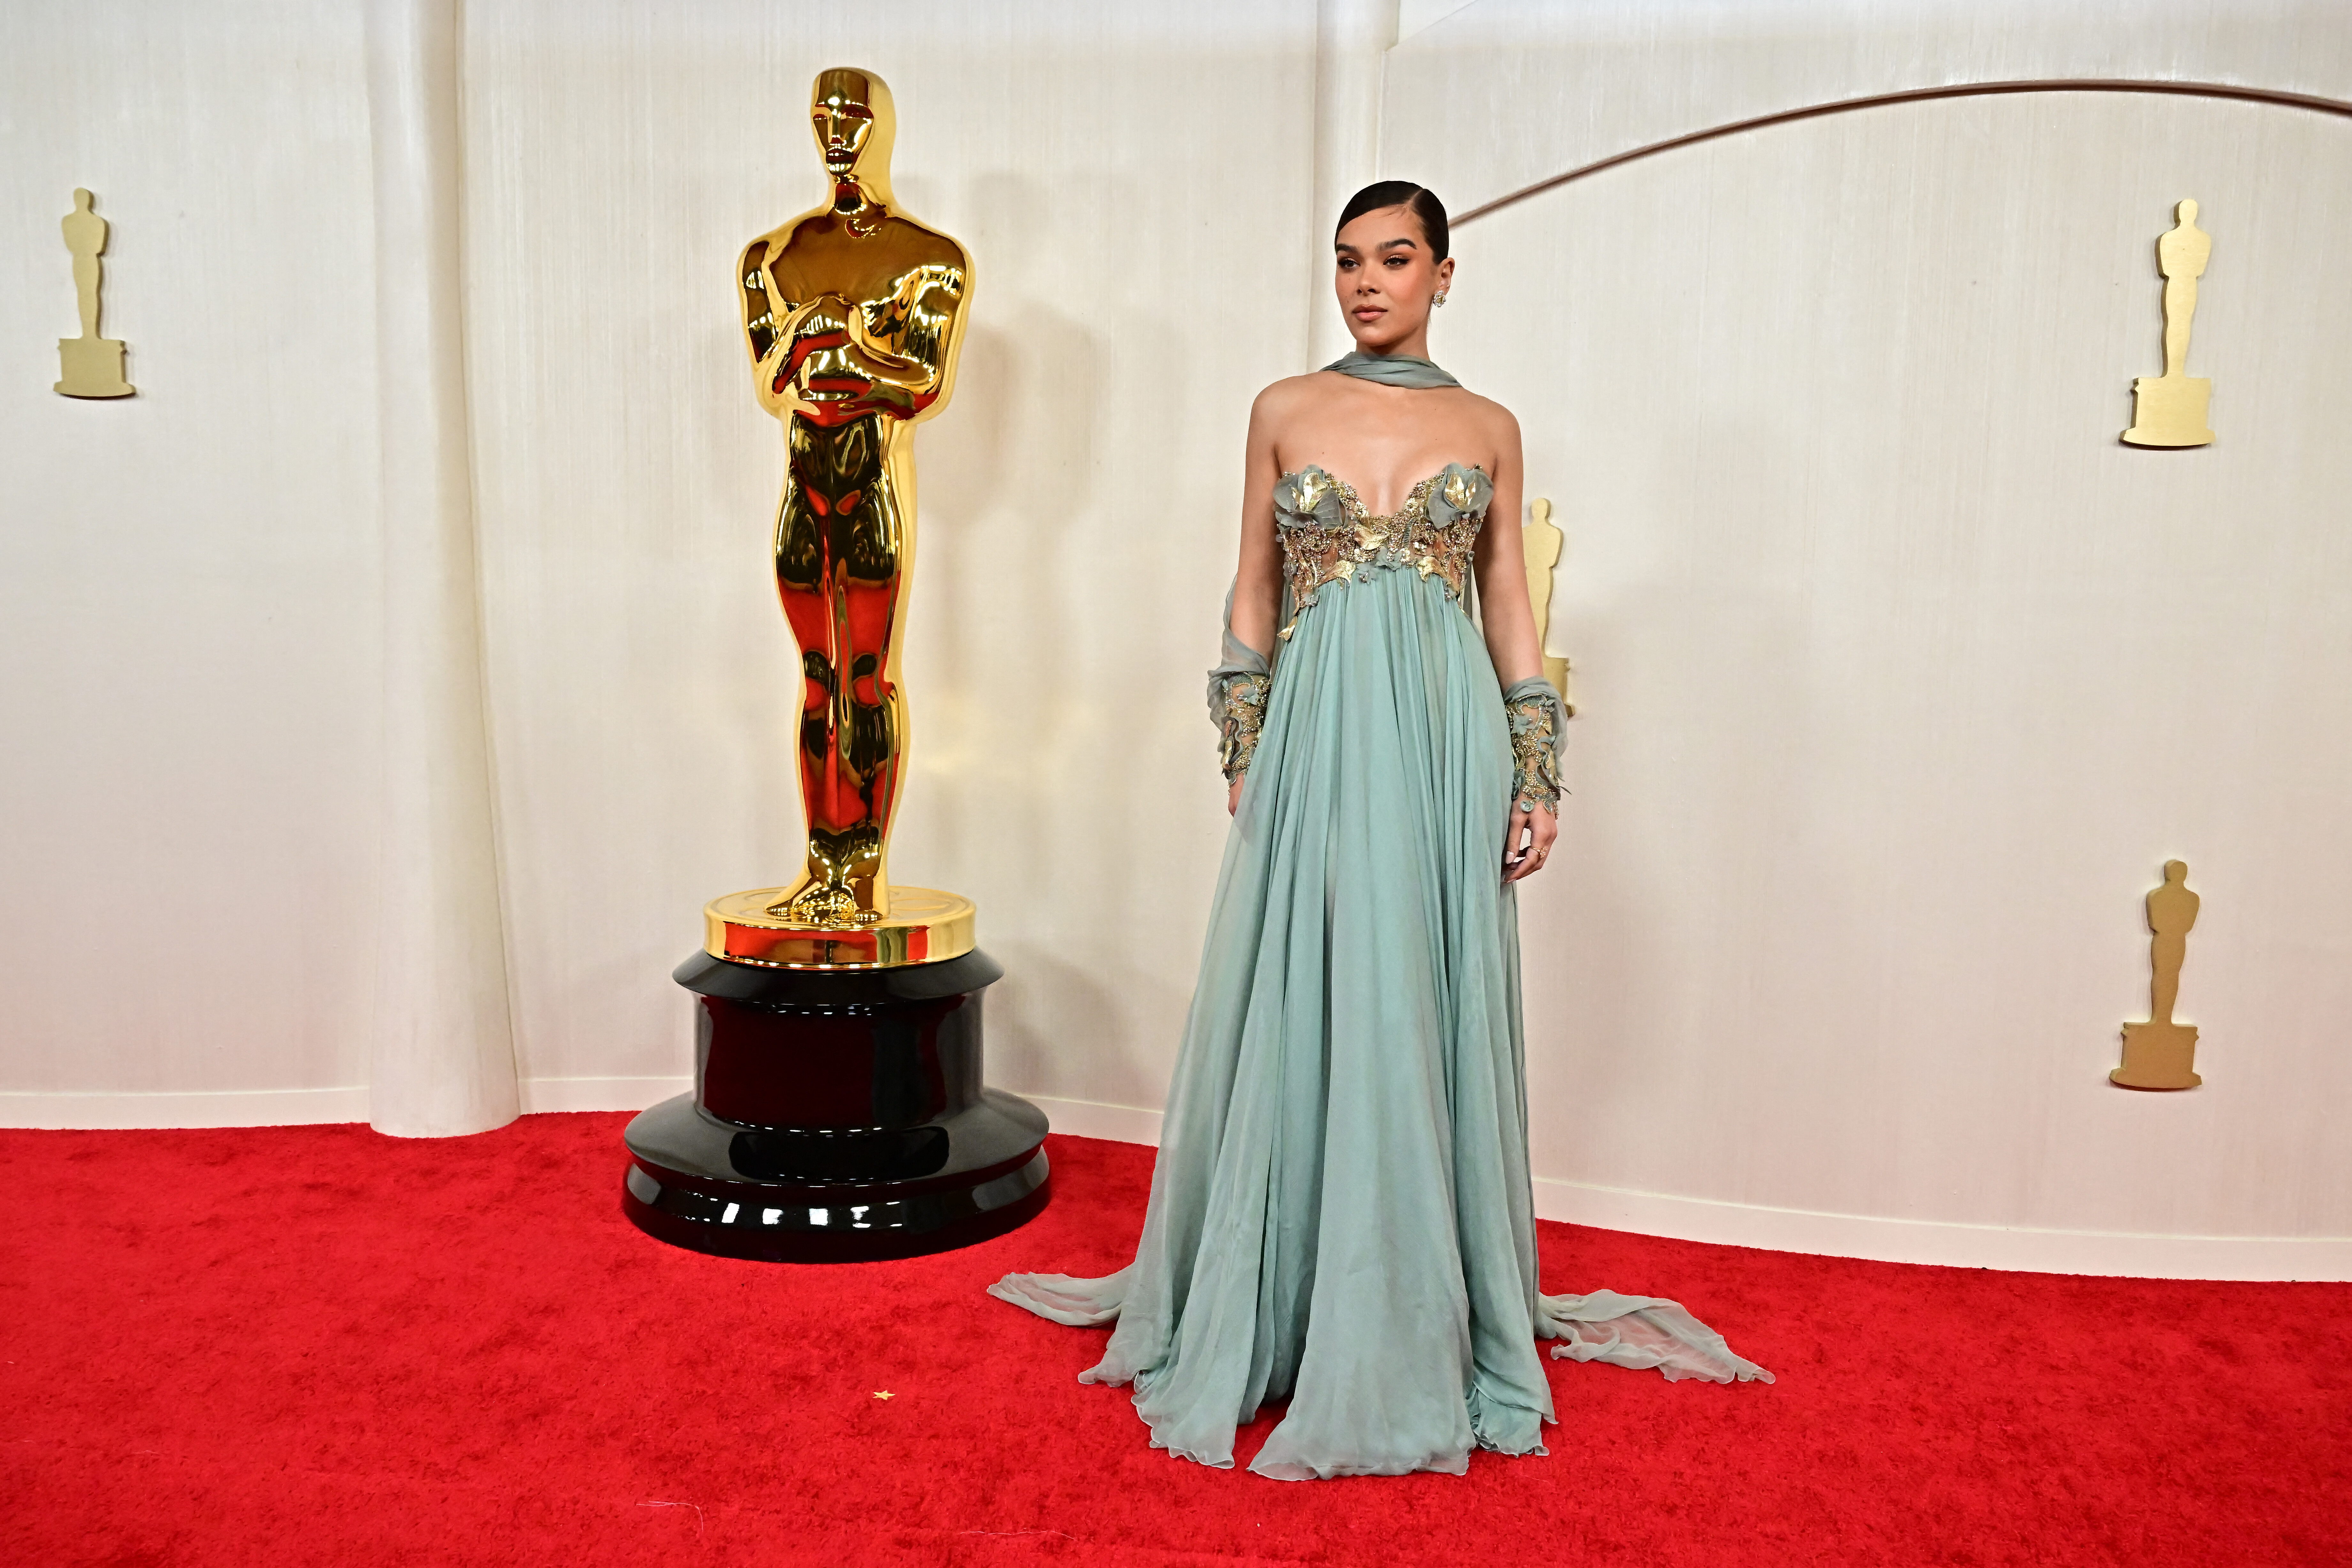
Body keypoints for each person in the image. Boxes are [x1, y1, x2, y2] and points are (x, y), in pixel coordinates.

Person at [989, 182, 1770, 1480]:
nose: (1366, 281)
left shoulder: (1488, 427)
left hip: (1447, 738)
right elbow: (1252, 584)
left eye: (1395, 259)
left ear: (1442, 274)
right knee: (1306, 989)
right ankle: (1287, 1303)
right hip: (1314, 730)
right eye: (1348, 259)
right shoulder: (1282, 408)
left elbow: (1506, 603)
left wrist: (1534, 766)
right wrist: (1243, 737)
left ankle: (1411, 1311)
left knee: (1414, 996)